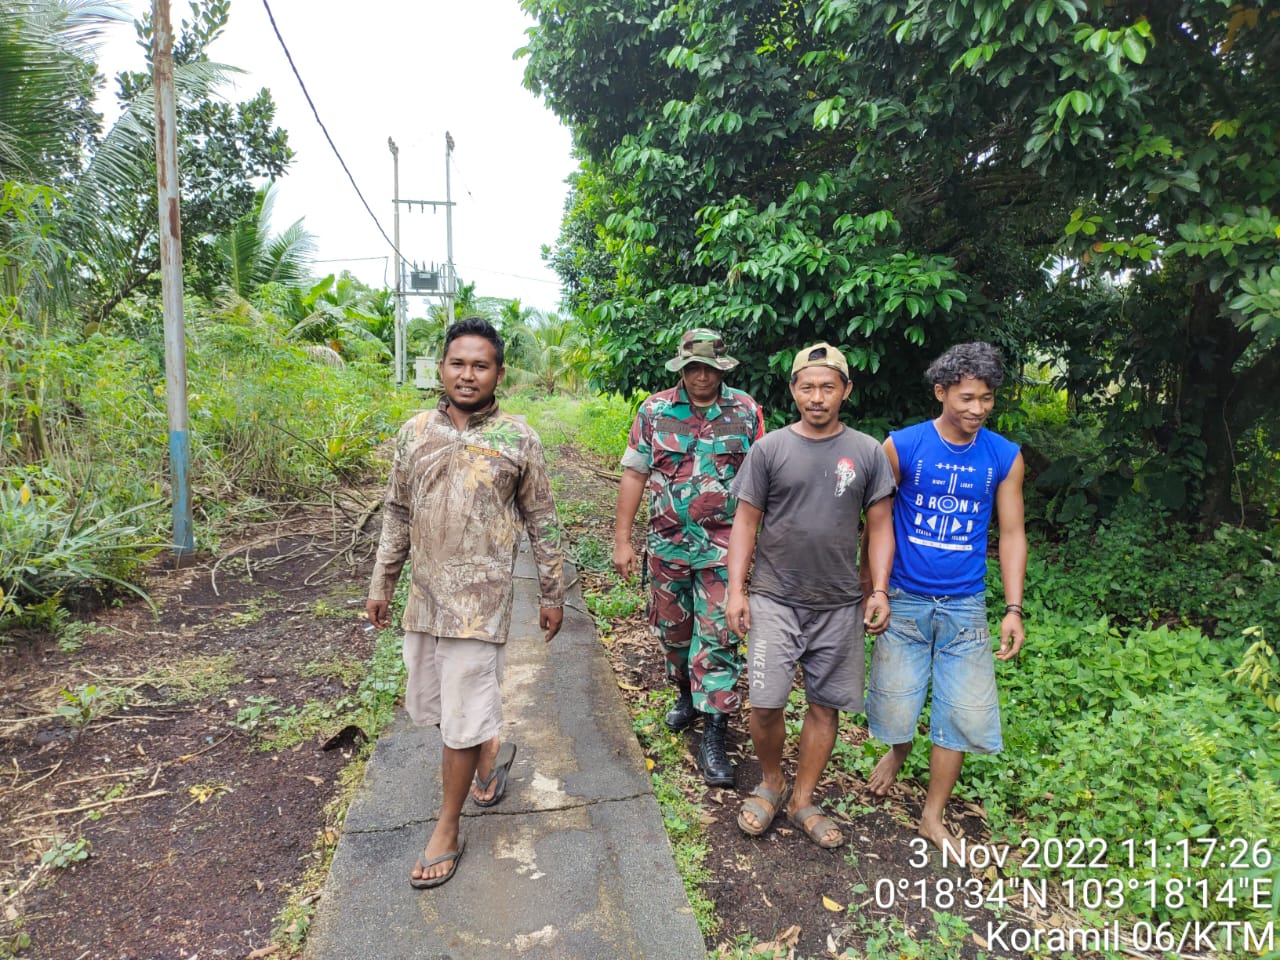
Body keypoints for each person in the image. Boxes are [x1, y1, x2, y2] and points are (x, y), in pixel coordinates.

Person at [365, 316, 564, 890]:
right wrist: (383, 582)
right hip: (425, 600)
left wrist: (552, 593)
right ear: (442, 367)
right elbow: (397, 511)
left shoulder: (518, 438)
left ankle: (446, 827)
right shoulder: (414, 433)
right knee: (438, 707)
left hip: (481, 605)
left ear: (499, 373)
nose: (468, 374)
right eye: (458, 363)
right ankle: (490, 752)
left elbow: (542, 519)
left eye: (481, 365)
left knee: (458, 718)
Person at [725, 342, 895, 848]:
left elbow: (880, 525)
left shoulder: (866, 452)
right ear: (794, 390)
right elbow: (745, 523)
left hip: (840, 602)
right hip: (775, 597)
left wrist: (879, 588)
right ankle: (771, 781)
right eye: (807, 387)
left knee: (825, 705)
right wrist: (737, 590)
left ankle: (802, 797)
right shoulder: (770, 449)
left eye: (827, 387)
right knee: (764, 703)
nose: (817, 397)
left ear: (846, 390)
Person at [864, 341, 1026, 863]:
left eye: (986, 399)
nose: (977, 409)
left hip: (965, 607)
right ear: (941, 392)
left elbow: (1013, 533)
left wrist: (1013, 608)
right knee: (896, 701)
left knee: (960, 712)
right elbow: (878, 523)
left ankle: (932, 813)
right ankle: (899, 750)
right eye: (966, 397)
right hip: (906, 599)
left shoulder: (1004, 456)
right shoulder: (903, 446)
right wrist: (878, 589)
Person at [613, 328, 765, 787]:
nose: (701, 376)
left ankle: (714, 731)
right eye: (693, 367)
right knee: (674, 635)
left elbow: (762, 482)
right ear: (682, 368)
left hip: (724, 549)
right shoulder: (654, 411)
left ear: (723, 369)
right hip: (667, 546)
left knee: (718, 637)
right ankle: (685, 695)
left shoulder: (746, 412)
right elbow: (635, 473)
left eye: (710, 368)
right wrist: (623, 539)